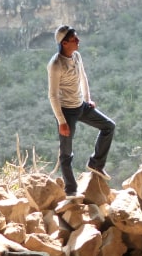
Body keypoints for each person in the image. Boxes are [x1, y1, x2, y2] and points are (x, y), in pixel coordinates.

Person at [47, 24, 116, 198]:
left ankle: (96, 163)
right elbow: (53, 95)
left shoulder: (76, 56)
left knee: (108, 126)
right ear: (64, 43)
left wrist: (87, 99)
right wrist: (61, 121)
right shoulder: (56, 65)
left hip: (81, 106)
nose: (78, 41)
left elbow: (83, 77)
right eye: (74, 39)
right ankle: (71, 191)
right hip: (66, 112)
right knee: (66, 153)